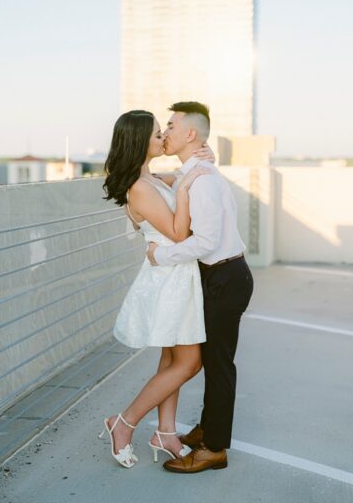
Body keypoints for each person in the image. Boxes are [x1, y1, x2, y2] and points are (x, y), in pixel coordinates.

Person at [99, 109, 212, 468]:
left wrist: (193, 168)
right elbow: (179, 234)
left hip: (176, 274)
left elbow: (174, 180)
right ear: (139, 142)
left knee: (171, 359)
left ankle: (166, 432)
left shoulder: (150, 179)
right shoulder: (140, 188)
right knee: (190, 362)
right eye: (156, 134)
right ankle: (125, 422)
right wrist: (190, 185)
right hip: (169, 280)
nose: (163, 137)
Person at [147, 101, 254, 474]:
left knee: (219, 365)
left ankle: (215, 449)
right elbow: (177, 185)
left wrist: (162, 255)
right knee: (213, 361)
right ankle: (209, 428)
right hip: (219, 276)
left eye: (172, 126)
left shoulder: (204, 179)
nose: (166, 133)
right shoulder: (196, 171)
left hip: (225, 276)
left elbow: (206, 241)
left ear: (190, 134)